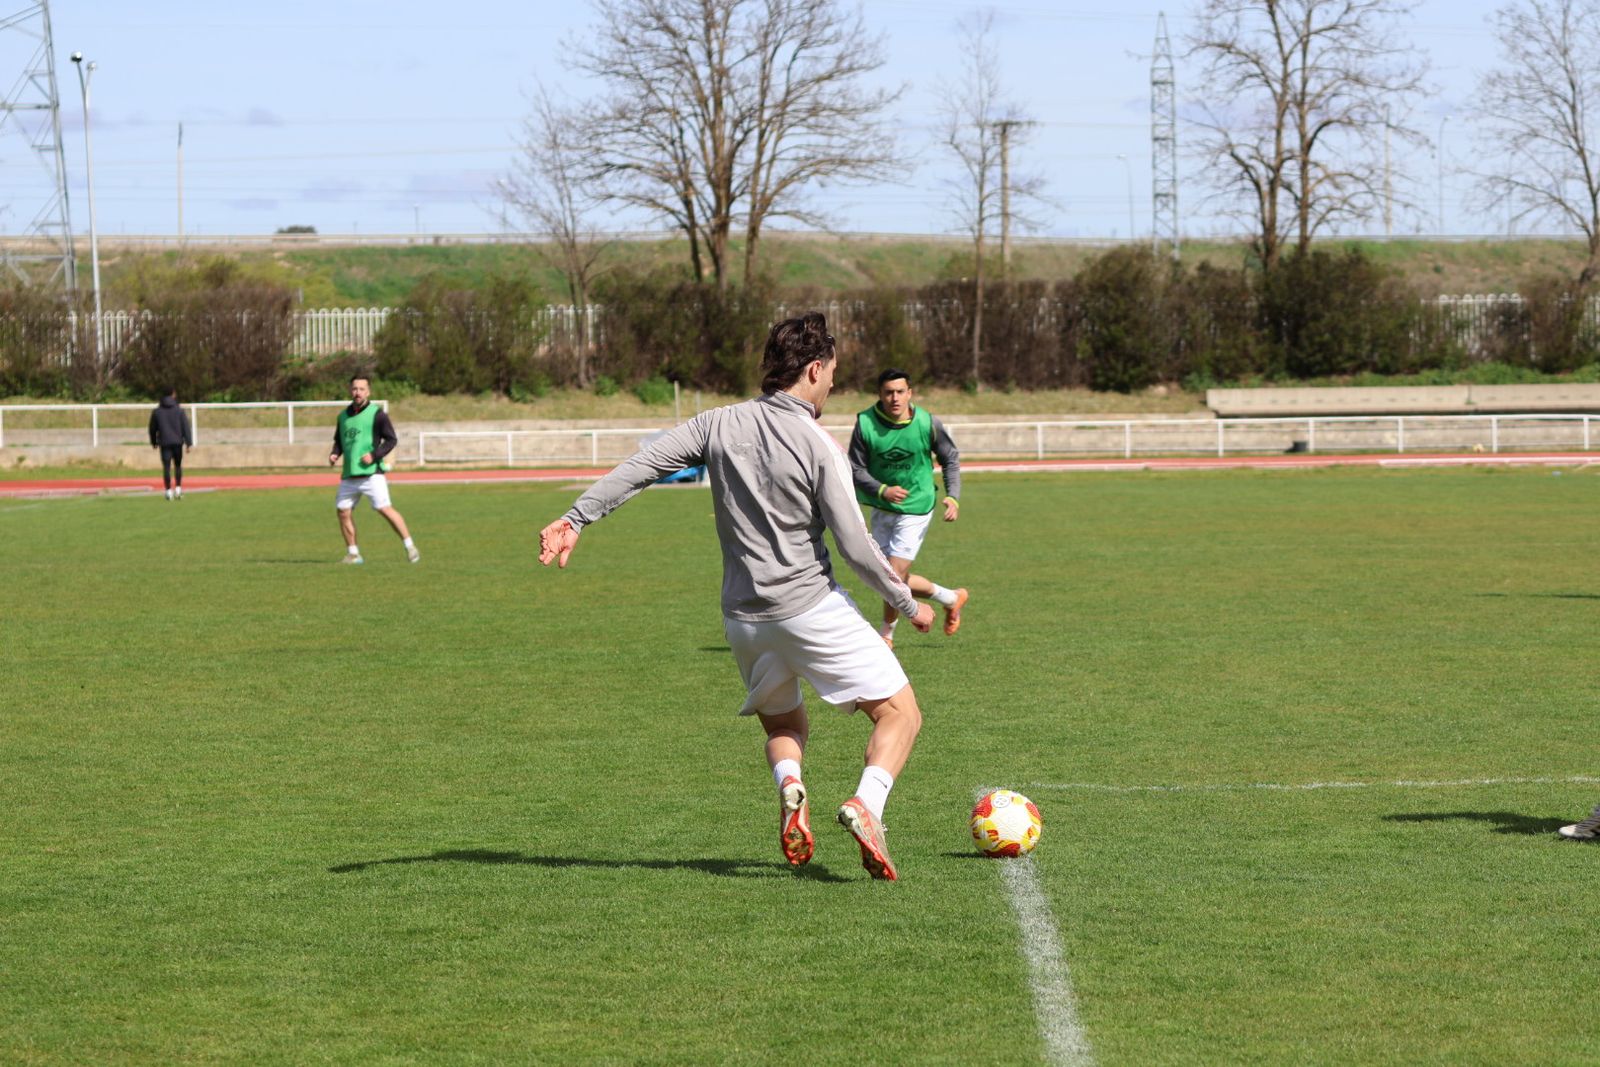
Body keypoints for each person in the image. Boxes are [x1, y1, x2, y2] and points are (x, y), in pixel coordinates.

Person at [537, 313, 935, 881]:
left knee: (784, 729)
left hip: (743, 622)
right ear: (814, 369)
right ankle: (866, 805)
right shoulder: (819, 446)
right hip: (811, 607)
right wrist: (907, 603)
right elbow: (856, 545)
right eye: (832, 375)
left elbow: (646, 463)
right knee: (901, 713)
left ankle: (792, 786)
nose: (833, 386)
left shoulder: (717, 423)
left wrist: (577, 517)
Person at [848, 368, 967, 649]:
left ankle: (886, 634)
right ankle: (951, 598)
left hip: (917, 507)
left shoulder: (927, 423)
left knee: (893, 574)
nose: (894, 398)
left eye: (900, 391)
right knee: (888, 575)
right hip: (881, 505)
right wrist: (881, 489)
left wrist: (954, 496)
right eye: (888, 392)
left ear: (910, 393)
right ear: (880, 394)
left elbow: (950, 458)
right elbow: (854, 467)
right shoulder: (865, 423)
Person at [328, 375, 419, 565]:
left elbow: (392, 440)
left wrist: (374, 455)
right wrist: (335, 454)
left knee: (384, 509)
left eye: (362, 389)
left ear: (368, 392)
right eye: (354, 389)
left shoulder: (377, 415)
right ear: (350, 391)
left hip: (371, 474)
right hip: (349, 475)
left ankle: (410, 546)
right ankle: (353, 554)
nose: (358, 392)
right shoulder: (342, 417)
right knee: (342, 511)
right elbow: (339, 441)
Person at [147, 387, 193, 501]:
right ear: (173, 394)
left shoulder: (157, 411)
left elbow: (152, 429)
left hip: (164, 443)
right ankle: (178, 489)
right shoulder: (179, 410)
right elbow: (185, 427)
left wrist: (154, 442)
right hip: (177, 442)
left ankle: (168, 491)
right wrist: (188, 443)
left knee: (166, 467)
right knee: (177, 466)